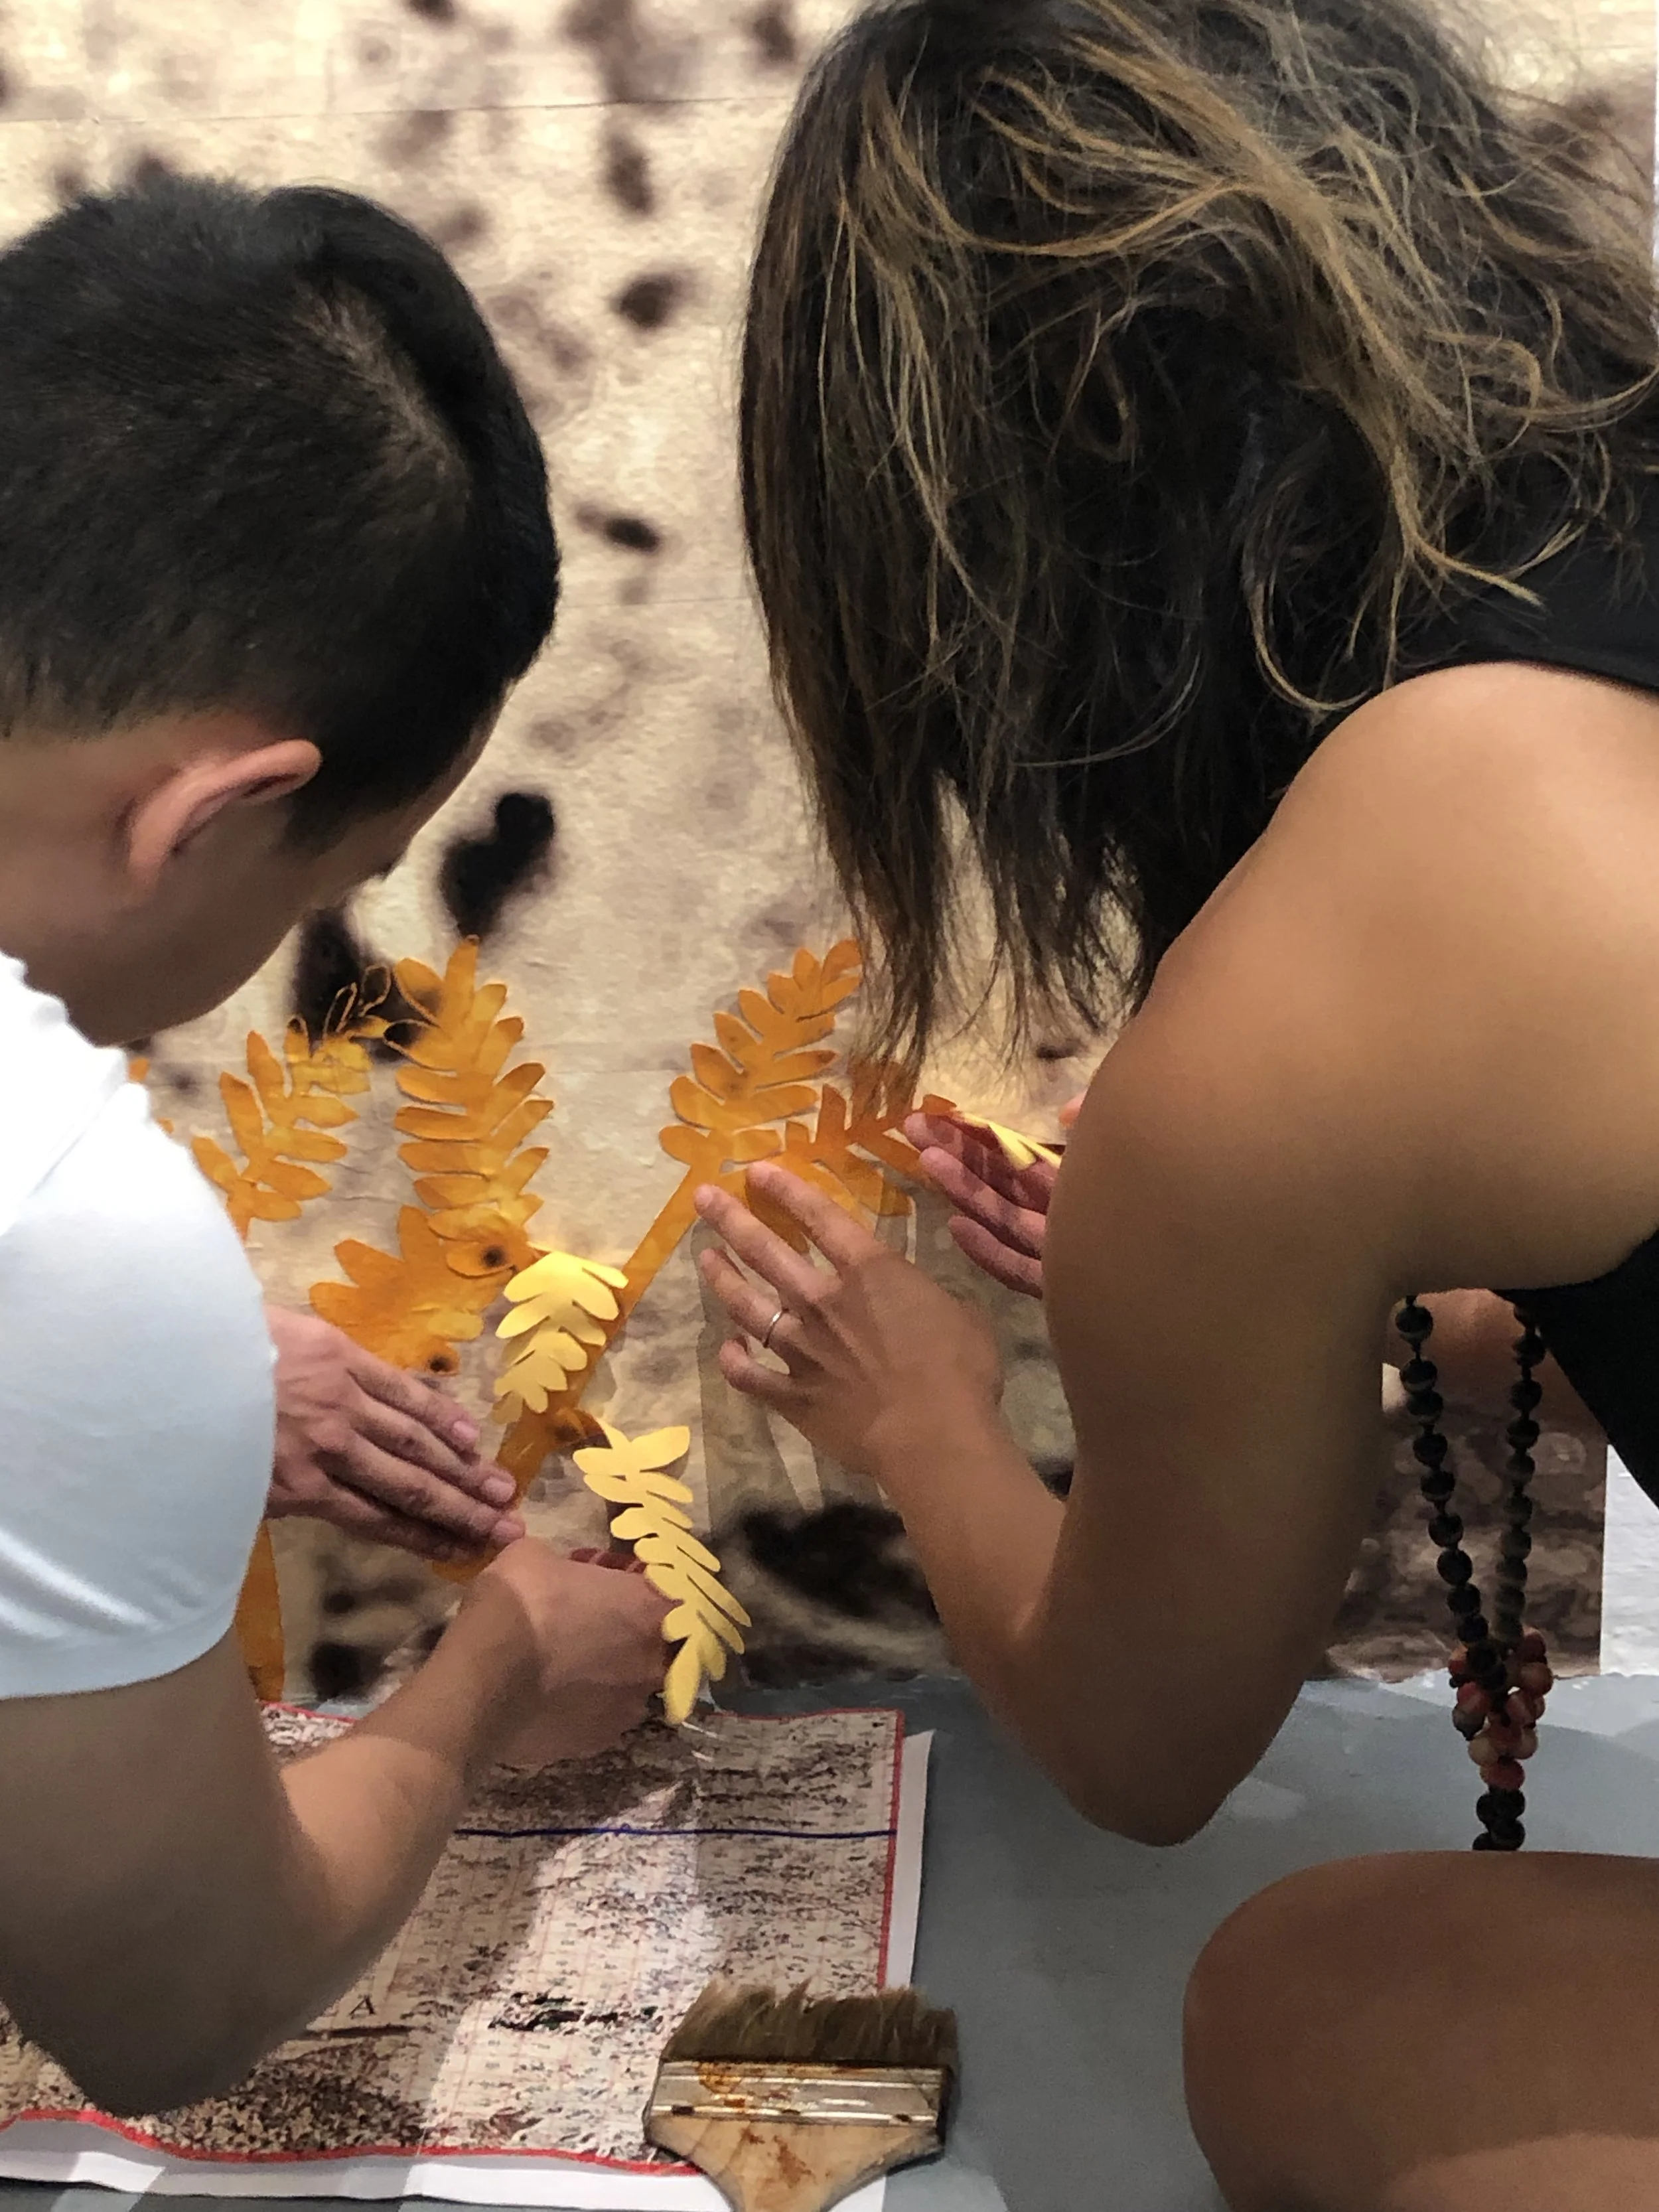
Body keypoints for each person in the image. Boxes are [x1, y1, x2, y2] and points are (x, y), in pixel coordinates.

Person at [695, 1, 1659, 2204]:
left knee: (1307, 2007)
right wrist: (1363, 1299)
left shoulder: (1341, 943)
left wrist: (923, 1414)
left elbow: (1139, 1749)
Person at [0, 172, 668, 2116]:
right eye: (353, 872)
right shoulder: (65, 1226)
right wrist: (498, 1675)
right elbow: (174, 2010)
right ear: (212, 815)